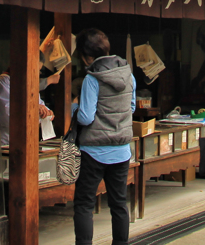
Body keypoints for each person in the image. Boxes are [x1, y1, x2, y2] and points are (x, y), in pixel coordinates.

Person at [72, 28, 136, 245]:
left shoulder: (92, 79)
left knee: (84, 204)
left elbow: (86, 118)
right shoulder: (129, 75)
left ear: (87, 56)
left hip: (94, 152)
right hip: (121, 150)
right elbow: (132, 107)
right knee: (119, 203)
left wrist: (74, 109)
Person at [0, 67, 59, 147]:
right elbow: (10, 115)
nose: (38, 73)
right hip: (6, 140)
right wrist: (34, 108)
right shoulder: (3, 82)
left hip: (26, 140)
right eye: (36, 69)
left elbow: (39, 104)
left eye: (39, 70)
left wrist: (47, 112)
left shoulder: (27, 83)